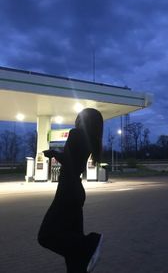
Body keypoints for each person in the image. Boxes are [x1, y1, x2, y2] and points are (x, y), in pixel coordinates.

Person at [38, 108, 104, 273]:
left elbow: (68, 162)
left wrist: (57, 154)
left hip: (67, 192)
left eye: (80, 117)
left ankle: (91, 243)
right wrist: (54, 153)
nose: (77, 120)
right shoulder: (89, 139)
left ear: (84, 120)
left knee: (46, 236)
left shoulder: (75, 134)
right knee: (73, 252)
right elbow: (73, 162)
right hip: (76, 191)